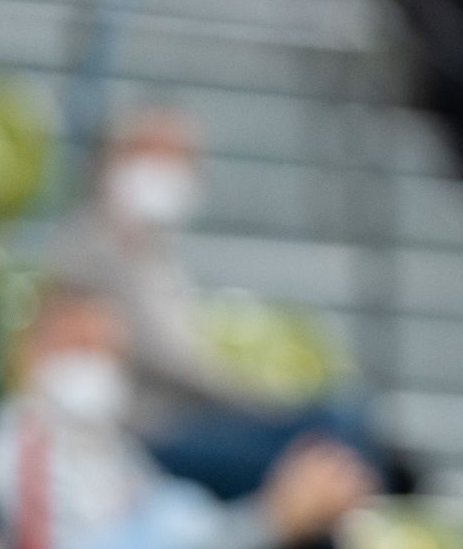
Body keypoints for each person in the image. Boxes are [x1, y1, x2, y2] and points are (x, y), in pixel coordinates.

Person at [0, 284, 375, 549]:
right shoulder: (11, 451)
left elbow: (171, 516)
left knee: (316, 526)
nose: (93, 366)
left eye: (105, 351)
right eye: (76, 347)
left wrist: (277, 522)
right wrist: (268, 524)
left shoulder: (103, 439)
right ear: (26, 353)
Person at [50, 108, 385, 501]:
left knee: (338, 428)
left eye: (180, 159)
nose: (168, 171)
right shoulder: (96, 249)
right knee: (327, 439)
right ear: (115, 158)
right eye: (153, 154)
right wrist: (262, 401)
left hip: (191, 420)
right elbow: (174, 363)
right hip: (153, 431)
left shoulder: (154, 253)